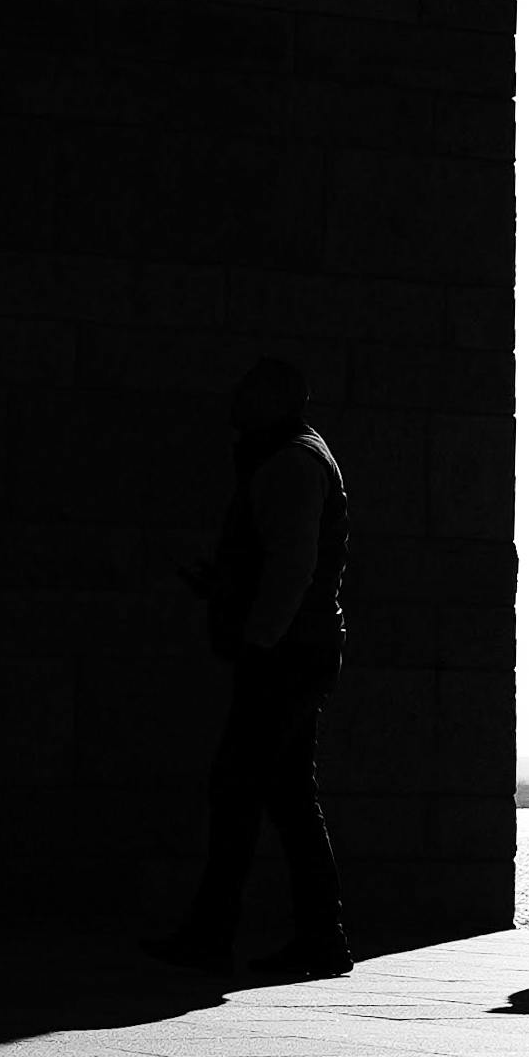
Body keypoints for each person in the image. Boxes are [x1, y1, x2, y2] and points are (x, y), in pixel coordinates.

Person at [157, 351, 352, 976]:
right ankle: (318, 939)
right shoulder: (296, 455)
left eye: (245, 391)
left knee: (240, 789)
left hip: (284, 654)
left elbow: (291, 567)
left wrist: (257, 639)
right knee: (286, 795)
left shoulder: (291, 461)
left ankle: (216, 936)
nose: (233, 401)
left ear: (272, 399)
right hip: (298, 649)